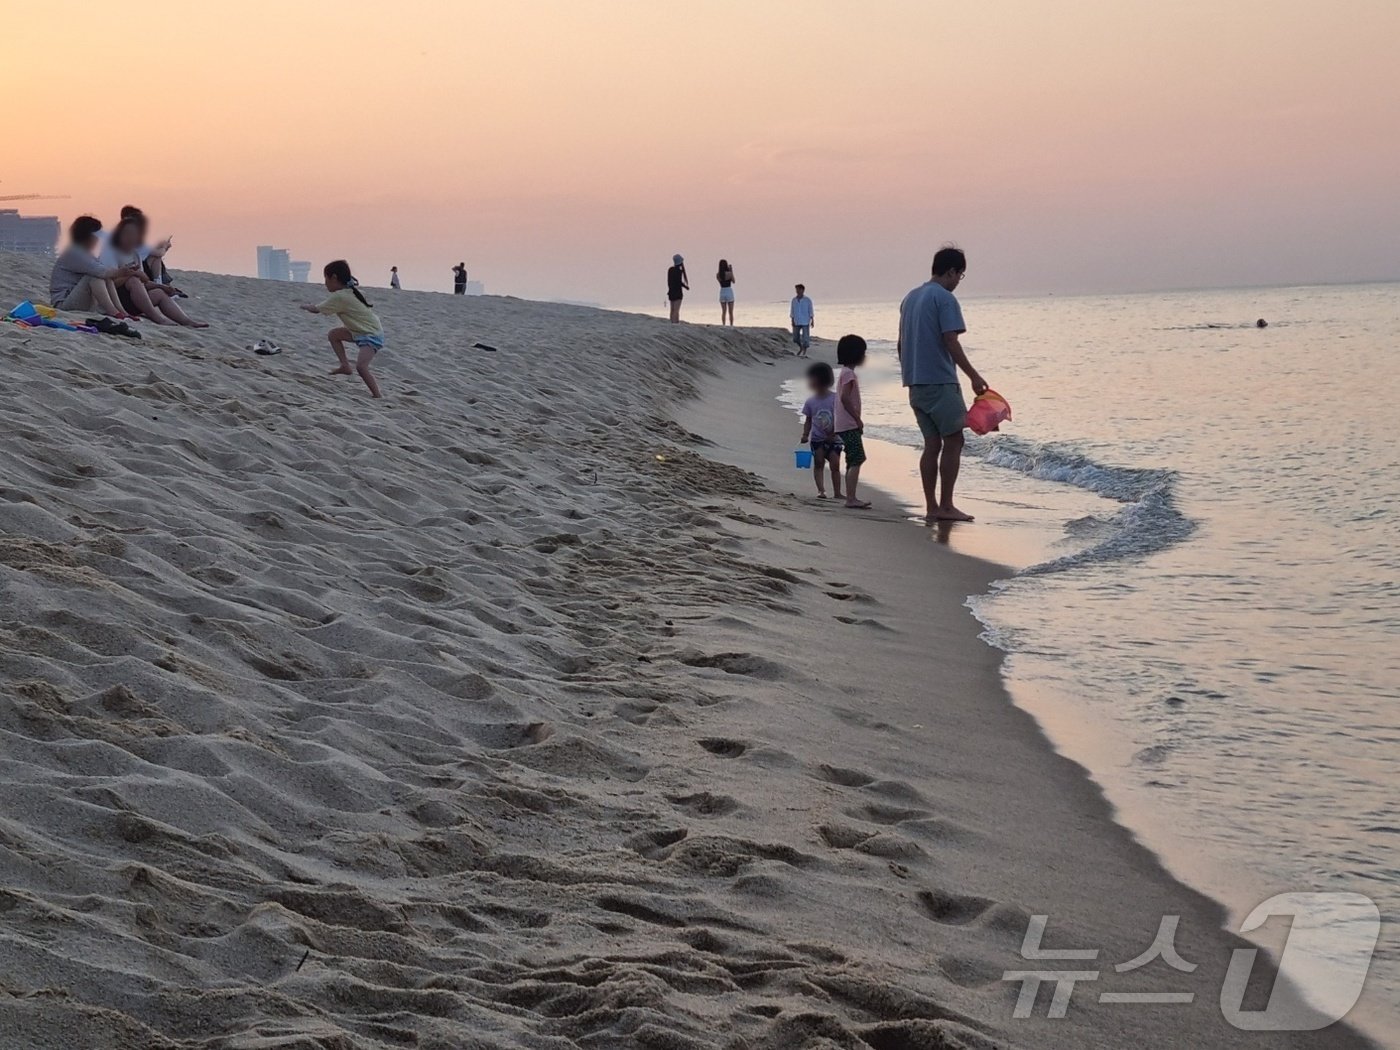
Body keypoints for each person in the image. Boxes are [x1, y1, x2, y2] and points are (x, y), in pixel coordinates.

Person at [897, 246, 988, 523]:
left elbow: (901, 344)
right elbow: (951, 341)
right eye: (960, 275)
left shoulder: (910, 298)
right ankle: (946, 505)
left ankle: (932, 506)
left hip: (915, 383)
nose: (958, 281)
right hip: (939, 381)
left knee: (931, 444)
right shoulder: (944, 299)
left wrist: (910, 373)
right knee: (954, 440)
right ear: (951, 271)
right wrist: (974, 376)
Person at [301, 260, 384, 398]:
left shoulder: (340, 296)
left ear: (333, 277)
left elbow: (317, 309)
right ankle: (345, 366)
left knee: (361, 367)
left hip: (371, 334)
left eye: (325, 278)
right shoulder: (350, 292)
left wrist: (305, 306)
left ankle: (377, 395)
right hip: (359, 331)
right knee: (334, 335)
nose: (325, 283)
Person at [103, 216, 206, 327]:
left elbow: (145, 282)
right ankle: (158, 318)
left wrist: (162, 287)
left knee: (158, 292)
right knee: (133, 280)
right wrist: (130, 274)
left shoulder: (134, 254)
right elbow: (108, 282)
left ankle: (187, 322)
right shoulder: (112, 252)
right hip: (116, 299)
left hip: (135, 298)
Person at [48, 215, 140, 317]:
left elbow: (105, 272)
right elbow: (101, 271)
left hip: (79, 300)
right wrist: (121, 272)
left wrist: (124, 271)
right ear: (87, 236)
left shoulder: (86, 253)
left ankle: (121, 312)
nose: (98, 240)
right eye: (97, 236)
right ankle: (114, 312)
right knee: (94, 277)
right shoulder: (73, 252)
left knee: (106, 278)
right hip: (64, 305)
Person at [834, 334, 871, 509]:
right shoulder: (849, 374)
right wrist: (857, 418)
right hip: (848, 423)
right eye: (863, 352)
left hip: (842, 423)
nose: (865, 356)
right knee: (857, 458)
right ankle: (851, 498)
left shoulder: (845, 372)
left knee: (852, 458)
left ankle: (851, 496)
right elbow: (845, 398)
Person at [799, 361, 843, 500]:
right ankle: (821, 490)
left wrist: (834, 433)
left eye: (811, 378)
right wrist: (805, 434)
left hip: (834, 439)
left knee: (835, 465)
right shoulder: (810, 401)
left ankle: (837, 492)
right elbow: (808, 420)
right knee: (818, 463)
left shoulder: (835, 399)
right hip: (817, 439)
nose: (809, 381)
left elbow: (840, 417)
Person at [790, 284, 814, 357]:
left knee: (805, 338)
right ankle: (800, 347)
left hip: (805, 321)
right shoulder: (794, 300)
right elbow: (792, 310)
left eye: (798, 289)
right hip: (797, 320)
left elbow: (810, 310)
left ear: (802, 290)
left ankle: (804, 351)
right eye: (796, 289)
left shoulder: (807, 300)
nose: (797, 291)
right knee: (795, 338)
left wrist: (812, 320)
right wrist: (792, 320)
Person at [667, 254, 688, 323]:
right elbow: (679, 282)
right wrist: (685, 287)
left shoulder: (670, 270)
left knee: (672, 309)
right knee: (676, 310)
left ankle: (671, 322)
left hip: (671, 292)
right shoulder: (679, 271)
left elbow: (669, 282)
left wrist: (670, 290)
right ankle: (675, 322)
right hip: (678, 292)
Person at [717, 259, 736, 325]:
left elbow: (720, 282)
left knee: (723, 311)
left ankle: (723, 324)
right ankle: (731, 324)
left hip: (722, 291)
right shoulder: (729, 274)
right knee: (730, 311)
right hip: (729, 291)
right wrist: (731, 271)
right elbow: (733, 281)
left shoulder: (718, 275)